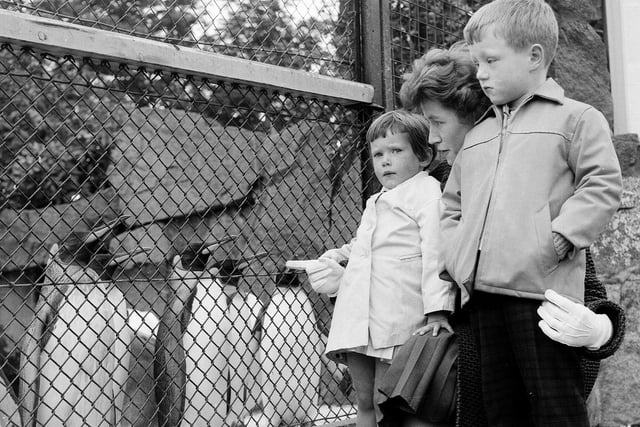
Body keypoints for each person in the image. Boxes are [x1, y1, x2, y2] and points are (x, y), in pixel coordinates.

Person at [378, 33, 626, 427]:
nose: (433, 137)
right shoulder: (433, 182)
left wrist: (599, 329)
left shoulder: (530, 186)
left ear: (477, 117)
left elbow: (580, 284)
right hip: (445, 378)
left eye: (437, 122)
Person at [290, 109, 457, 427]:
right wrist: (338, 256)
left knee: (386, 400)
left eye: (396, 151)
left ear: (424, 157)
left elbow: (437, 252)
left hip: (397, 315)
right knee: (363, 399)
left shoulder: (426, 194)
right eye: (378, 153)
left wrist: (438, 310)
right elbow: (362, 245)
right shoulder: (375, 200)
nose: (385, 161)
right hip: (360, 315)